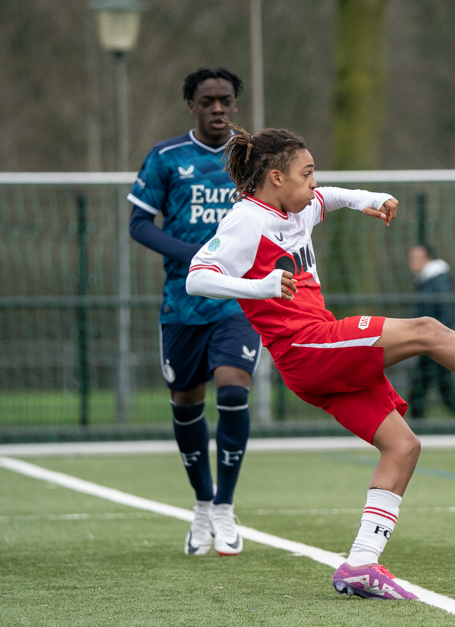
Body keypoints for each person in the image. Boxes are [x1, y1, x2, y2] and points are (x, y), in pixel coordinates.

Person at [185, 121, 455, 599]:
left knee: (403, 447)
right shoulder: (246, 221)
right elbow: (197, 278)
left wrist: (365, 197)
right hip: (306, 348)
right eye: (306, 172)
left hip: (317, 358)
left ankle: (359, 564)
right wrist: (259, 287)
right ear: (275, 178)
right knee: (426, 331)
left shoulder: (298, 205)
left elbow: (327, 197)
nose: (314, 182)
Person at [128, 67, 257, 556]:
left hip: (237, 302)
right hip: (181, 305)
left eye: (225, 100)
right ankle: (202, 504)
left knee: (231, 387)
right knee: (186, 405)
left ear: (235, 105)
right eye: (208, 101)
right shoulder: (166, 158)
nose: (217, 108)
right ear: (193, 106)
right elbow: (139, 224)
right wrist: (190, 254)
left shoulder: (253, 157)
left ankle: (225, 506)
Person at [406, 244, 455, 419]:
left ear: (427, 259)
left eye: (414, 259)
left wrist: (439, 339)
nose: (410, 263)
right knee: (436, 387)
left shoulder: (436, 280)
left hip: (433, 343)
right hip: (429, 342)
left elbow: (445, 312)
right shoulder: (429, 280)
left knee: (425, 386)